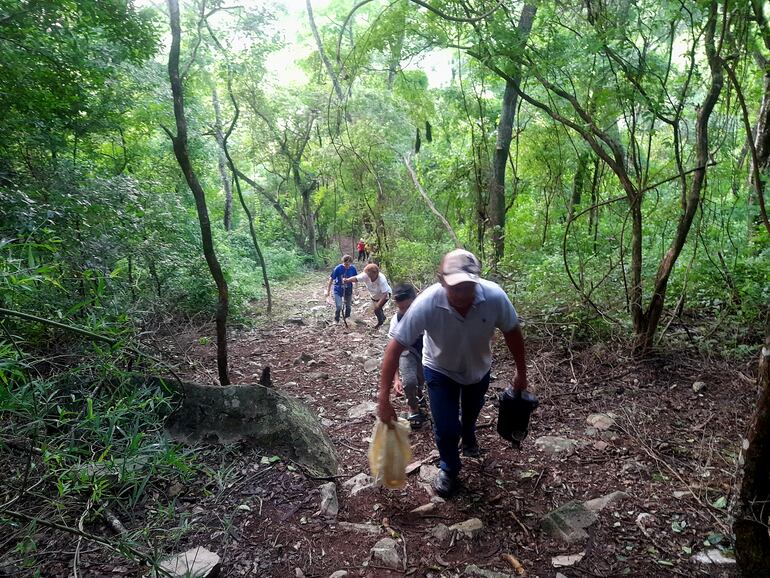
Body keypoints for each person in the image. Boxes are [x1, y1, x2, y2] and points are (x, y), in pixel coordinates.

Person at [377, 249, 528, 498]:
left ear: (477, 281)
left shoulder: (494, 297)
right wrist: (383, 398)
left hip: (478, 370)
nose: (461, 293)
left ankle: (468, 434)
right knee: (446, 427)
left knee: (469, 415)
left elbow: (512, 333)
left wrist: (521, 373)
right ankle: (449, 467)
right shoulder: (427, 302)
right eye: (454, 287)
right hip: (439, 369)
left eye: (467, 286)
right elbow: (395, 348)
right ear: (441, 280)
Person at [389, 283, 426, 428]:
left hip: (426, 351)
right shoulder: (396, 321)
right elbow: (393, 353)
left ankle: (419, 393)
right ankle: (413, 408)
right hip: (406, 351)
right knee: (409, 381)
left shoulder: (426, 315)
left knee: (421, 379)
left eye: (408, 307)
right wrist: (396, 379)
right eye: (401, 308)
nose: (405, 312)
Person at [344, 263, 391, 328]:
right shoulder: (365, 275)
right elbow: (356, 278)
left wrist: (378, 304)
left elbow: (385, 294)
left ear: (375, 273)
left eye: (370, 275)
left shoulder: (381, 279)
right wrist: (347, 280)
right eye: (368, 275)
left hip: (384, 295)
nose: (368, 276)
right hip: (374, 295)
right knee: (379, 309)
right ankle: (384, 319)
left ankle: (380, 322)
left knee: (377, 309)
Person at [326, 255, 357, 324]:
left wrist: (356, 289)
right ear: (343, 262)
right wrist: (328, 291)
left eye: (349, 264)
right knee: (339, 306)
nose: (347, 266)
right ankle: (336, 319)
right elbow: (331, 279)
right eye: (346, 264)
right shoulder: (338, 268)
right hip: (338, 289)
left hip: (348, 289)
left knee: (348, 306)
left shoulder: (353, 269)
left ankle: (347, 318)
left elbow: (356, 279)